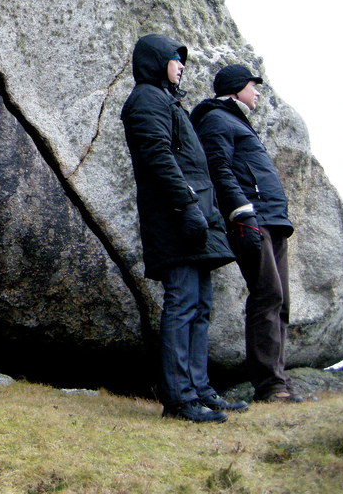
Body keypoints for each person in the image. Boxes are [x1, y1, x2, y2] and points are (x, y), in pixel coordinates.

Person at [120, 34, 244, 422]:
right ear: (158, 62)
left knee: (200, 306)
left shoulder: (166, 100)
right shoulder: (146, 99)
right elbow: (157, 156)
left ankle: (200, 390)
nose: (181, 66)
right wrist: (188, 206)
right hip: (174, 217)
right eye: (175, 59)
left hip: (193, 215)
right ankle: (179, 399)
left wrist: (200, 210)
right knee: (183, 303)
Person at [190, 64, 301, 403]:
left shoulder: (236, 121)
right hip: (252, 220)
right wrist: (242, 213)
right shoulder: (216, 119)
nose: (257, 92)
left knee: (280, 301)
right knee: (267, 296)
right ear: (237, 87)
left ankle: (278, 382)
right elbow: (219, 169)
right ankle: (270, 386)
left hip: (271, 220)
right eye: (253, 86)